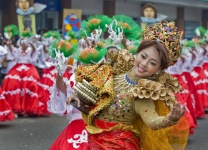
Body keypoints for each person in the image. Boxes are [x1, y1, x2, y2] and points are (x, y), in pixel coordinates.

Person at [60, 21, 190, 150]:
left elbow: (152, 121)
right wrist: (77, 96)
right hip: (91, 137)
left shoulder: (143, 93)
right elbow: (93, 86)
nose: (144, 64)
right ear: (137, 53)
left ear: (158, 69)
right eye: (143, 56)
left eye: (152, 63)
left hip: (120, 145)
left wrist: (170, 118)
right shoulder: (115, 70)